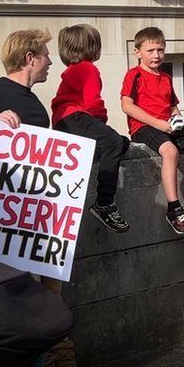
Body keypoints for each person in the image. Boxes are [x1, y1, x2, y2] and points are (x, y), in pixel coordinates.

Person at [0, 29, 105, 367]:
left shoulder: (35, 103)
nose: (51, 61)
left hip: (41, 220)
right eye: (46, 55)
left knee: (52, 301)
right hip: (7, 224)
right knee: (25, 304)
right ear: (30, 58)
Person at [50, 23, 130, 233]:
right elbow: (93, 101)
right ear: (92, 47)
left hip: (62, 121)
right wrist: (102, 121)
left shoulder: (71, 70)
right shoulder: (88, 68)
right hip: (76, 116)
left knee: (116, 144)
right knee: (114, 142)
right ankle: (104, 201)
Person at [120, 26, 184, 234]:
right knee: (170, 151)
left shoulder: (166, 77)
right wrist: (158, 123)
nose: (157, 55)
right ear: (138, 52)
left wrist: (178, 123)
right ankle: (174, 207)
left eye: (160, 50)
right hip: (144, 127)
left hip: (166, 125)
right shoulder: (133, 75)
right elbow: (127, 106)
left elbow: (173, 108)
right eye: (151, 51)